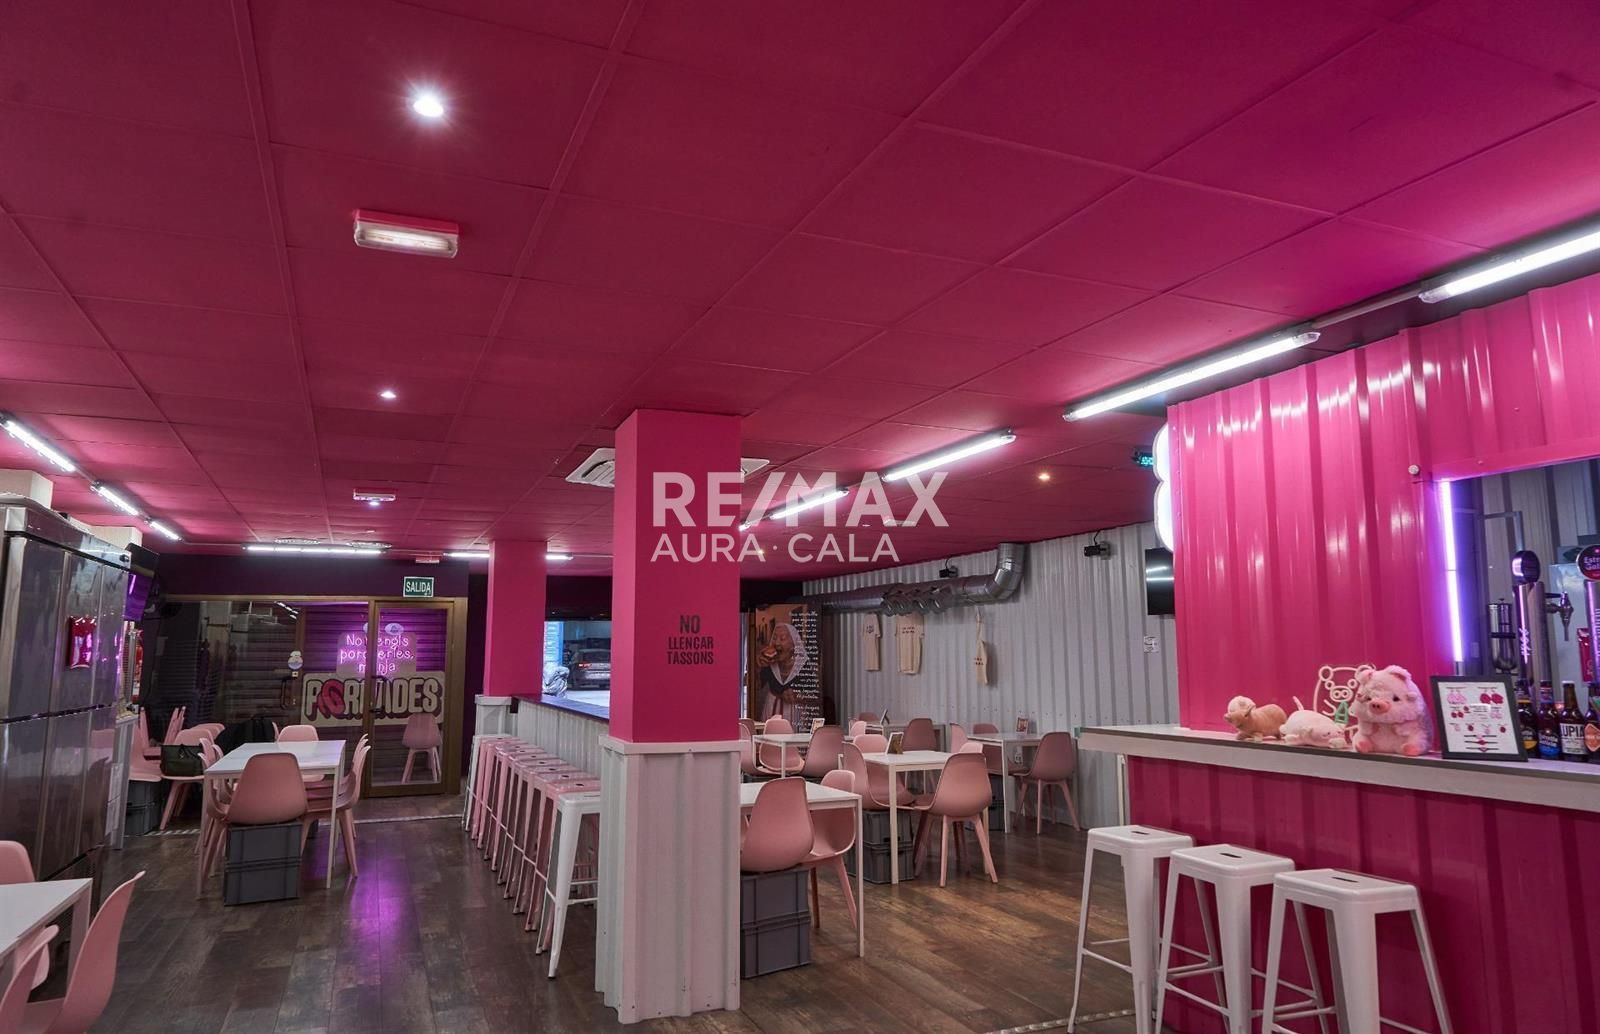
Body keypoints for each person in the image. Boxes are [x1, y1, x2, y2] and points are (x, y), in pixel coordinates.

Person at [757, 621, 808, 721]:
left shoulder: (804, 666)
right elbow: (757, 686)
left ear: (793, 645)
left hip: (794, 713)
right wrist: (757, 668)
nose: (777, 643)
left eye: (782, 638)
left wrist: (799, 695)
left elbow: (815, 694)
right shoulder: (768, 663)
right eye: (774, 638)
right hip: (771, 709)